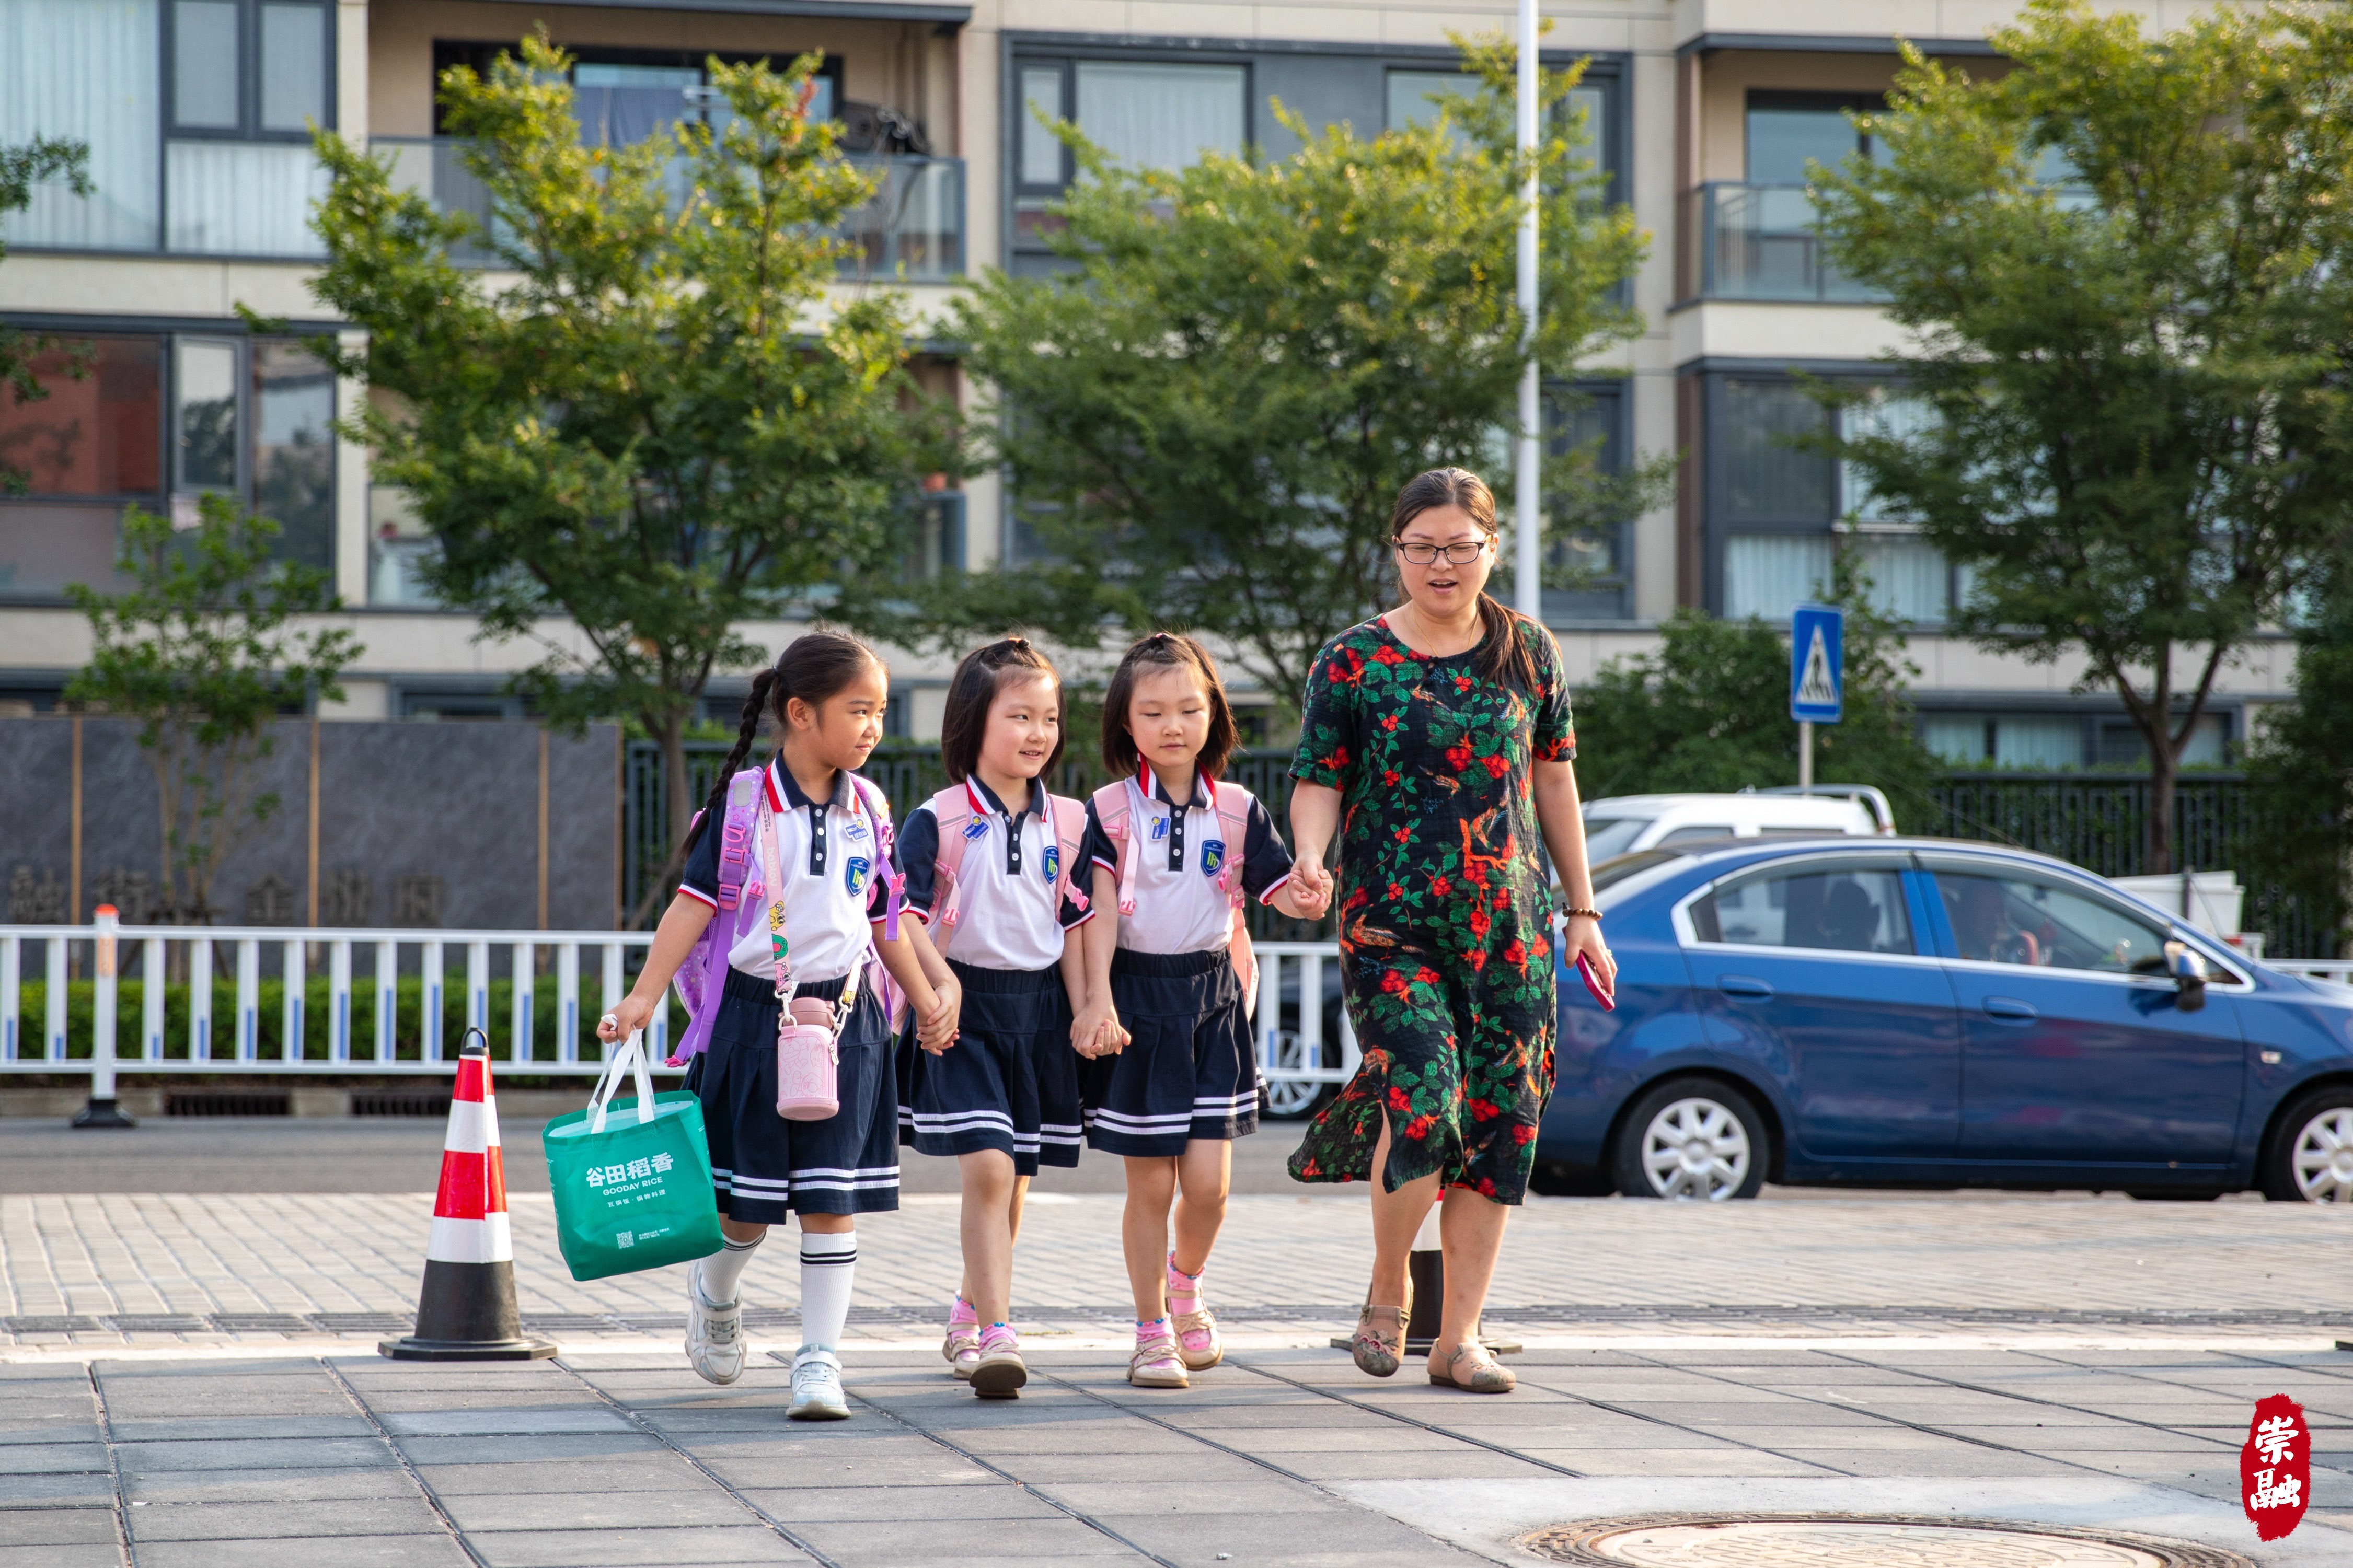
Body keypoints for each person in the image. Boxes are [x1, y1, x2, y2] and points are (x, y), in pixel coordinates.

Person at [1285, 468, 1614, 1395]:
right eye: (1422, 546)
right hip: (1389, 924)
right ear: (1396, 552)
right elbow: (1320, 777)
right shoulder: (1352, 660)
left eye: (1459, 546)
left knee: (1503, 1121)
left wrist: (1581, 912)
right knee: (1423, 1097)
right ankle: (1389, 1288)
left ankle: (1458, 1335)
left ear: (1490, 549)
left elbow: (1555, 783)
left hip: (1508, 929)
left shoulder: (1527, 652)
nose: (1441, 563)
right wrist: (1310, 857)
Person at [597, 631, 961, 1421]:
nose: (873, 726)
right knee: (747, 1209)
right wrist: (641, 998)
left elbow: (884, 916)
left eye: (881, 711)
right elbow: (694, 906)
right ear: (800, 713)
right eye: (858, 709)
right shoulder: (744, 804)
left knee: (832, 1199)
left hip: (847, 1020)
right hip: (753, 1020)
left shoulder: (871, 804)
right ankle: (715, 1292)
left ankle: (818, 1361)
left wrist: (927, 994)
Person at [1073, 633, 1331, 1389]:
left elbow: (1282, 888)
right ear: (1126, 723)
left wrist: (1311, 890)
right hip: (1137, 1004)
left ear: (1213, 713)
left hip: (1213, 1001)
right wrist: (1098, 999)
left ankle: (1185, 1282)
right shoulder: (1108, 810)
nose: (1172, 724)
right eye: (1152, 711)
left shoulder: (1240, 808)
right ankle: (1151, 1326)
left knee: (1211, 1188)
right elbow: (1095, 914)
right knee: (1150, 1184)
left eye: (1189, 707)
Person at [893, 637, 1097, 1399]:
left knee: (1013, 1180)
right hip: (963, 1014)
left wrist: (1087, 1011)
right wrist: (932, 987)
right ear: (973, 722)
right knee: (987, 1166)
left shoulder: (1072, 822)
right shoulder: (938, 817)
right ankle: (998, 1333)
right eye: (1020, 715)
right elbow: (897, 914)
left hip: (1039, 1016)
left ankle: (971, 1307)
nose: (1039, 732)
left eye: (1049, 716)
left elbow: (1079, 926)